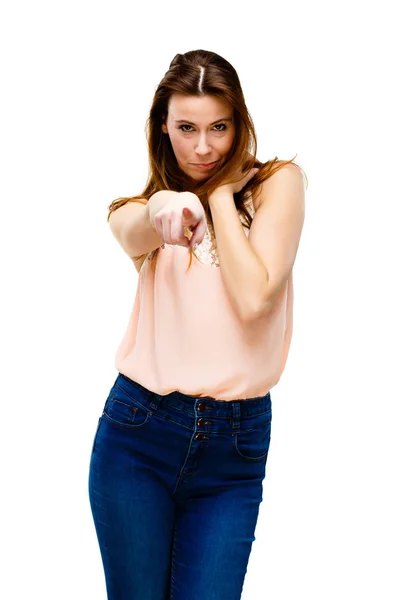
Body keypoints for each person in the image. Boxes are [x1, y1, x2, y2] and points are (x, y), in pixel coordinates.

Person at [88, 49, 306, 600]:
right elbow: (129, 228)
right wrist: (165, 200)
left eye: (219, 128)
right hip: (139, 434)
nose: (204, 147)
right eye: (186, 128)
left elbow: (255, 296)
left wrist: (221, 198)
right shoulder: (147, 211)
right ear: (164, 127)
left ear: (239, 125)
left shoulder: (277, 185)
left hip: (234, 448)